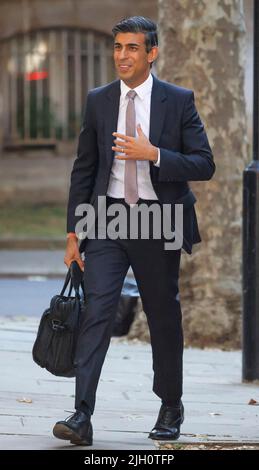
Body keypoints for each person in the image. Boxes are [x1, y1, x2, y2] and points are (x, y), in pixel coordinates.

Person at [52, 16, 215, 446]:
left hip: (157, 220)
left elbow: (204, 163)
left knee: (162, 316)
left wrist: (154, 153)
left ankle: (170, 405)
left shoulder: (177, 101)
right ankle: (81, 413)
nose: (122, 56)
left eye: (132, 49)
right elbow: (84, 169)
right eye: (118, 48)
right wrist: (73, 233)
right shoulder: (99, 100)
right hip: (106, 220)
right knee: (96, 312)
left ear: (152, 53)